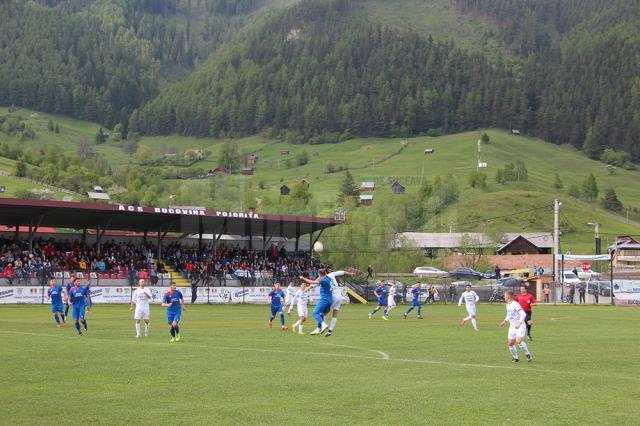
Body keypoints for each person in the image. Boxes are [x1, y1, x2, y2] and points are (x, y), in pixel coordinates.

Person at [499, 290, 532, 363]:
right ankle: (515, 358)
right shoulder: (507, 304)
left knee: (519, 341)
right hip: (512, 326)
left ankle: (527, 353)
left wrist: (519, 323)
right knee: (510, 344)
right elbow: (509, 314)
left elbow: (523, 313)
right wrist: (504, 321)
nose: (504, 297)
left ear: (508, 296)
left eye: (505, 295)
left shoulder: (515, 304)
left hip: (520, 325)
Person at [299, 269, 332, 335]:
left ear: (319, 274)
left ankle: (323, 324)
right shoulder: (328, 278)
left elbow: (312, 282)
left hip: (324, 299)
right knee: (321, 314)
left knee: (314, 313)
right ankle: (318, 329)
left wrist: (303, 278)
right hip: (330, 300)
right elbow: (320, 277)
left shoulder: (322, 280)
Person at [325, 269, 355, 336]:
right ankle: (330, 331)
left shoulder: (324, 278)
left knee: (324, 313)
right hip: (339, 296)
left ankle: (322, 326)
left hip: (334, 296)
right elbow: (342, 272)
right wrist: (350, 273)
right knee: (335, 313)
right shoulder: (332, 274)